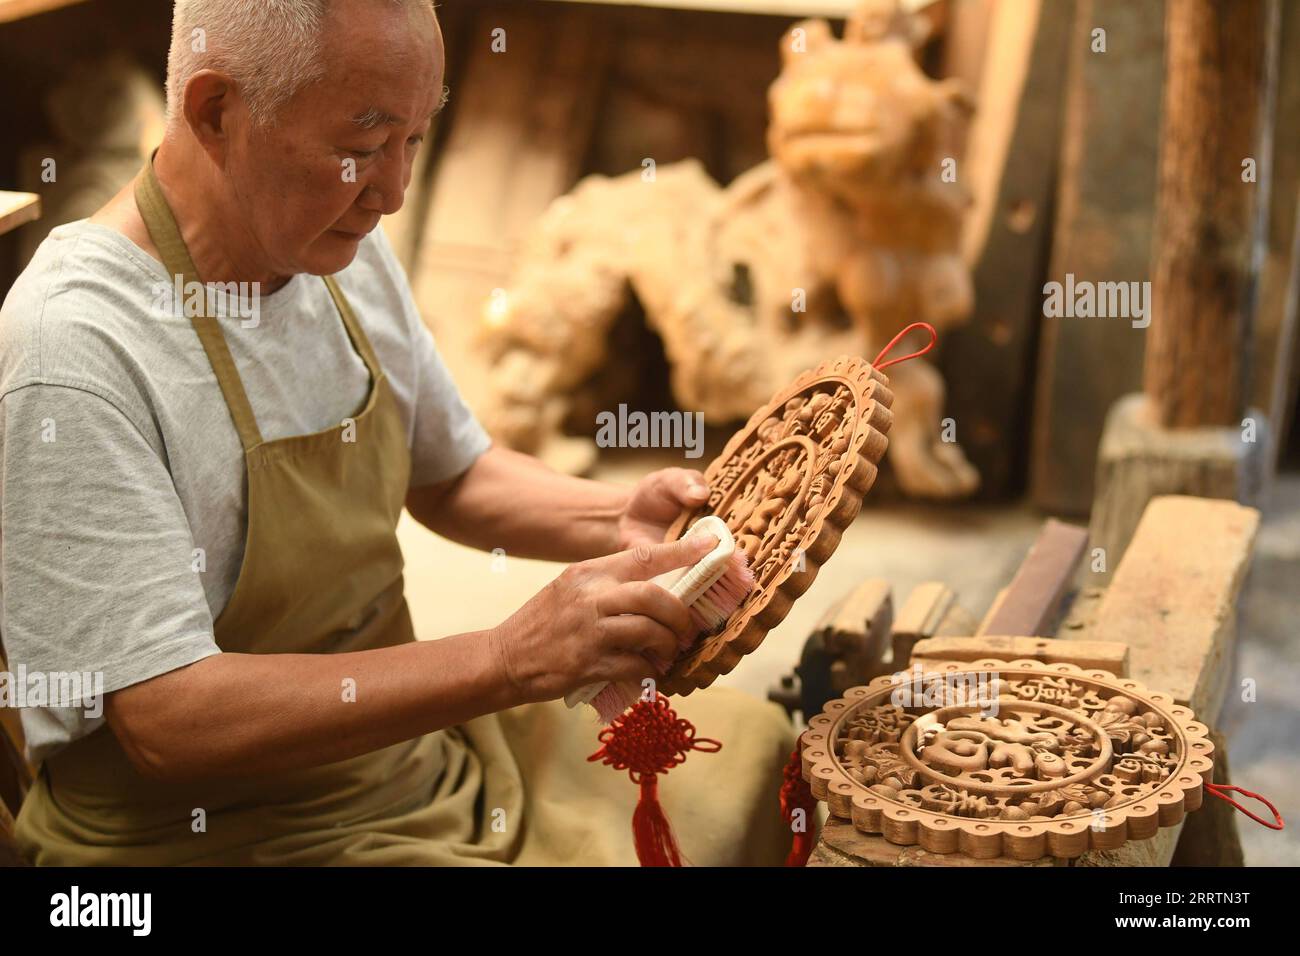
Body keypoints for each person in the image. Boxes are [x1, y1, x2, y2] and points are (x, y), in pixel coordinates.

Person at [0, 0, 795, 865]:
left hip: (403, 753)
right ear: (215, 110)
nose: (393, 192)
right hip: (205, 832)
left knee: (757, 753)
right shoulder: (73, 345)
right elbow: (169, 721)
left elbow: (454, 476)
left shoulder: (332, 240)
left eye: (415, 140)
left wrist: (621, 523)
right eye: (363, 146)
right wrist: (504, 659)